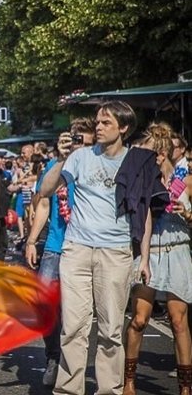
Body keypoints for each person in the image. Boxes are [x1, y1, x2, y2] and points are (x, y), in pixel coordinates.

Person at [39, 101, 151, 395]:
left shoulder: (135, 161)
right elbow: (44, 191)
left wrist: (145, 257)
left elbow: (145, 210)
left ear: (124, 128)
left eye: (106, 123)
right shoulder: (79, 157)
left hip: (115, 251)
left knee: (111, 330)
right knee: (73, 327)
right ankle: (67, 390)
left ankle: (109, 390)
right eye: (98, 122)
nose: (98, 127)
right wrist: (62, 159)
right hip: (76, 249)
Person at [25, 118, 95, 388]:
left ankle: (71, 362)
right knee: (44, 305)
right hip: (55, 245)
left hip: (86, 244)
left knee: (76, 309)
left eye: (84, 141)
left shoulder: (94, 166)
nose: (79, 145)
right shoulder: (57, 167)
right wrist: (31, 240)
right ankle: (54, 354)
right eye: (75, 140)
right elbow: (43, 202)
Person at [124, 123, 192, 395]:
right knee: (139, 319)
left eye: (152, 153)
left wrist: (186, 211)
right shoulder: (143, 181)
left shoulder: (186, 180)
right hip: (149, 251)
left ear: (162, 155)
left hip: (177, 249)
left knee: (178, 321)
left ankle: (185, 388)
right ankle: (128, 382)